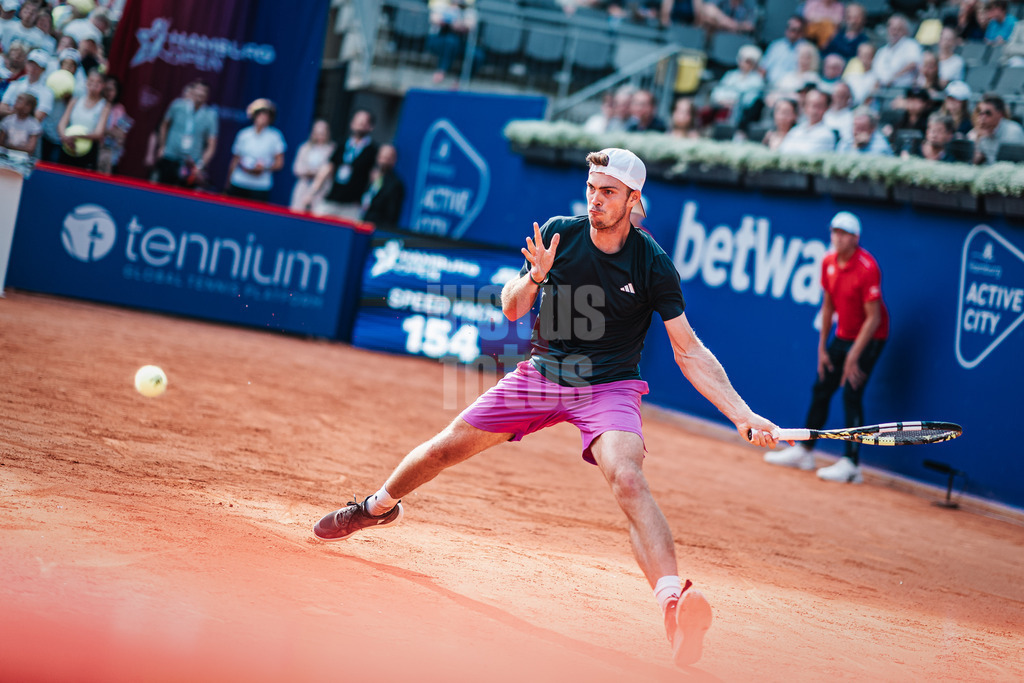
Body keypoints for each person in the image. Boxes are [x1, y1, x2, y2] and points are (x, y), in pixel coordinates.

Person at [311, 147, 781, 668]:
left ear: (632, 199)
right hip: (542, 373)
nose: (595, 200)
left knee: (627, 478)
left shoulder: (652, 264)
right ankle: (377, 507)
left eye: (608, 192)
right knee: (445, 449)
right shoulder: (562, 232)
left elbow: (688, 349)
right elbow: (510, 306)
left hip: (610, 387)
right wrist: (535, 276)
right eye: (592, 188)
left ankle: (672, 605)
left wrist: (742, 413)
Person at [766, 211, 888, 485]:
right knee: (822, 387)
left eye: (844, 233)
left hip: (870, 338)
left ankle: (852, 464)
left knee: (852, 393)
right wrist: (822, 348)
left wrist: (854, 356)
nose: (837, 237)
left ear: (855, 239)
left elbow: (874, 318)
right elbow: (828, 306)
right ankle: (805, 451)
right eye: (835, 232)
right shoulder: (828, 262)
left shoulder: (868, 268)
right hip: (842, 336)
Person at [303, 108, 378, 219]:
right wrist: (312, 192)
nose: (359, 125)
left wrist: (368, 201)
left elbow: (374, 178)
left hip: (352, 205)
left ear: (370, 127)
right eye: (357, 122)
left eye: (363, 123)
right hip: (332, 199)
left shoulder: (373, 150)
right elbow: (327, 169)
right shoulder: (341, 144)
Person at [155, 79, 218, 188]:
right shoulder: (177, 105)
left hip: (192, 163)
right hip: (170, 156)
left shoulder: (210, 115)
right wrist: (162, 146)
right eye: (198, 89)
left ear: (207, 95)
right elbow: (164, 125)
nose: (200, 93)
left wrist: (201, 165)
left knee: (185, 197)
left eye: (204, 91)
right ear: (192, 91)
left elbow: (212, 144)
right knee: (163, 191)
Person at [225, 98, 286, 202]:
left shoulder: (275, 136)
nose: (263, 117)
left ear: (270, 118)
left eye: (266, 115)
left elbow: (279, 163)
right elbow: (235, 160)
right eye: (260, 113)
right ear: (255, 115)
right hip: (239, 182)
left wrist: (263, 168)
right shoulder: (244, 134)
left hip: (260, 187)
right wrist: (228, 183)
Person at [56, 67, 109, 169]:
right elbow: (62, 123)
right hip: (68, 146)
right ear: (86, 82)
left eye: (98, 82)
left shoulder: (104, 106)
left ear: (103, 86)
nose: (93, 85)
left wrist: (77, 136)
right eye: (91, 81)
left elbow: (99, 133)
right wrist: (64, 136)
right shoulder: (75, 100)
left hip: (89, 152)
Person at [708, 44, 764, 126]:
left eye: (747, 61)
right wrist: (724, 102)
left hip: (741, 114)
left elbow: (749, 101)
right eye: (742, 60)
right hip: (721, 108)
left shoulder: (757, 80)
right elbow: (717, 93)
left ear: (754, 64)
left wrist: (733, 103)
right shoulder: (730, 75)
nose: (744, 63)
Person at [289, 119, 336, 211]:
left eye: (322, 133)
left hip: (322, 189)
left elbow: (330, 170)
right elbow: (297, 168)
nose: (320, 136)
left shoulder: (332, 149)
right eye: (317, 133)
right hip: (304, 186)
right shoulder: (304, 147)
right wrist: (310, 172)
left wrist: (319, 174)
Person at [969, 93, 1024, 164]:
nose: (982, 118)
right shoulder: (978, 132)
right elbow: (972, 164)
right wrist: (978, 139)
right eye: (980, 113)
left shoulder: (1013, 132)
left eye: (988, 113)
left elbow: (1013, 165)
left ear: (1000, 114)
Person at [778, 88, 837, 154]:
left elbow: (808, 155)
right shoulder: (796, 130)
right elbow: (783, 150)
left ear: (826, 108)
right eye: (809, 104)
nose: (813, 110)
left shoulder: (827, 135)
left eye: (818, 106)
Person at [360, 143, 405, 228]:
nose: (383, 161)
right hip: (360, 221)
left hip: (376, 227)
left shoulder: (395, 184)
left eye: (387, 158)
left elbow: (391, 215)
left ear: (394, 160)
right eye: (382, 157)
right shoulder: (370, 176)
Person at [872, 14, 923, 89]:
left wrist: (893, 78)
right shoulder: (882, 51)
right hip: (883, 89)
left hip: (903, 89)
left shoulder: (911, 45)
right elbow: (876, 71)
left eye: (898, 29)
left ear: (905, 31)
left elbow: (913, 64)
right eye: (892, 29)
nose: (894, 32)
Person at [760, 16, 809, 88]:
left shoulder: (806, 48)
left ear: (802, 32)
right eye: (790, 28)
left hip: (793, 87)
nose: (793, 32)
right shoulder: (775, 46)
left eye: (796, 30)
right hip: (770, 86)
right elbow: (763, 68)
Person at [97, 73, 131, 175]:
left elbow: (121, 134)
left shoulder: (119, 109)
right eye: (106, 89)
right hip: (94, 149)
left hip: (110, 152)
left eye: (111, 90)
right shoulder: (98, 105)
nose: (108, 93)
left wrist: (102, 130)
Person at [0, 90, 40, 155]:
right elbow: (1, 142)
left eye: (19, 101)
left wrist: (10, 146)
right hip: (6, 155)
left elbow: (30, 149)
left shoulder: (34, 124)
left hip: (23, 158)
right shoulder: (8, 120)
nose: (16, 102)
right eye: (16, 100)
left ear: (28, 107)